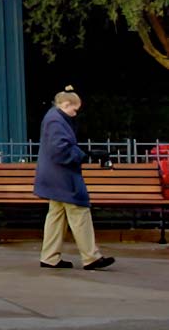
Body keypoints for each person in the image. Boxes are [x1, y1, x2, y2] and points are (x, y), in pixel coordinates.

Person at [35, 86, 115, 271]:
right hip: (62, 176)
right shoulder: (56, 121)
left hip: (53, 175)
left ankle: (49, 257)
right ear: (65, 104)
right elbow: (60, 150)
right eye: (74, 109)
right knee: (79, 211)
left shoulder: (52, 117)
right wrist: (82, 155)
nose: (75, 113)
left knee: (56, 216)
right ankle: (91, 257)